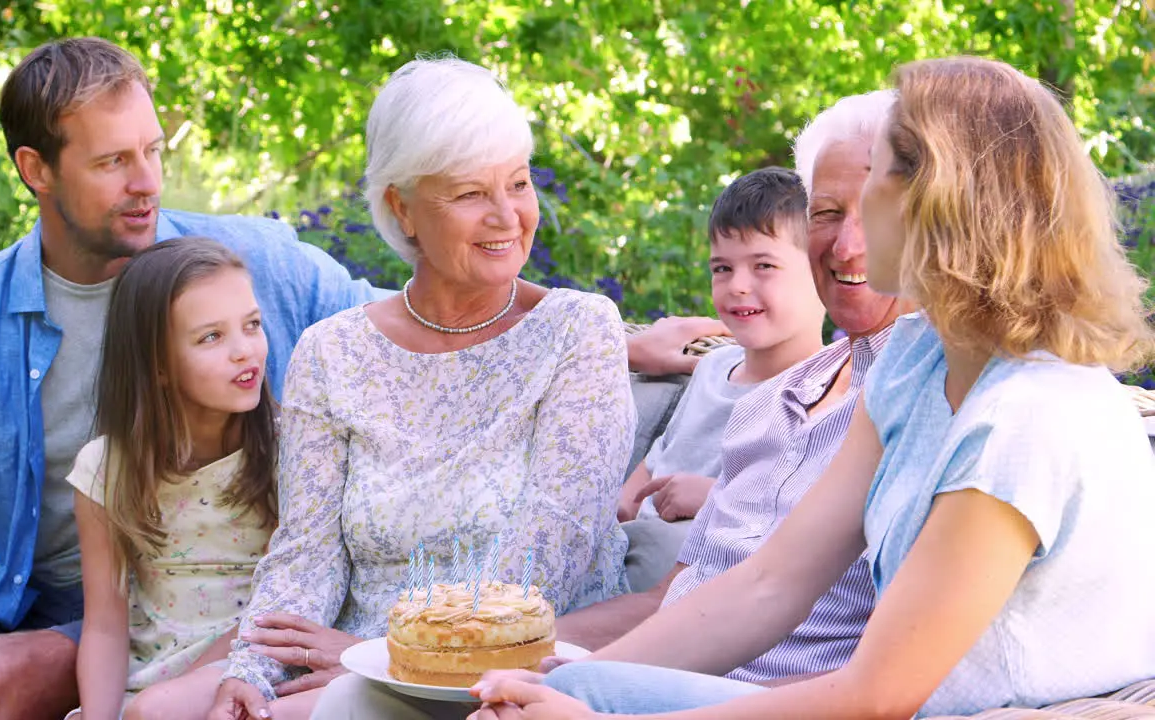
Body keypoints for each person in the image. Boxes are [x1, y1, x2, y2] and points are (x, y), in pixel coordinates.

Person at [470, 56, 1155, 720]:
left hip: (1025, 714)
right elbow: (773, 582)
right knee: (551, 697)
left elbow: (874, 696)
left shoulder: (1026, 416)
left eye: (874, 184)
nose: (841, 233)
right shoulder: (918, 359)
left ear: (938, 199)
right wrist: (574, 680)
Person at [312, 90, 909, 720]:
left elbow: (886, 681)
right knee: (362, 699)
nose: (846, 246)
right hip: (676, 681)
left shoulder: (931, 393)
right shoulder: (773, 403)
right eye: (827, 212)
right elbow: (700, 595)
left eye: (874, 215)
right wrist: (560, 678)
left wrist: (587, 701)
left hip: (778, 701)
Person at [0, 37, 383, 720]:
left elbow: (398, 331)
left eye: (152, 151)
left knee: (4, 674)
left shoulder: (250, 263)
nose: (146, 181)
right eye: (114, 161)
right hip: (29, 595)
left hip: (188, 608)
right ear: (37, 169)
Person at [206, 56, 635, 720]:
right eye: (469, 194)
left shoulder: (579, 332)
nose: (507, 215)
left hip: (511, 675)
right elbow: (304, 553)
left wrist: (380, 658)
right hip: (345, 660)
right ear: (402, 209)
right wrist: (252, 670)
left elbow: (553, 550)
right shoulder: (332, 351)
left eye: (518, 184)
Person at [62, 238, 278, 720]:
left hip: (253, 665)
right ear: (157, 365)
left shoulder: (289, 453)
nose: (245, 351)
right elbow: (103, 625)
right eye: (211, 337)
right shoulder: (105, 470)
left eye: (252, 325)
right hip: (147, 681)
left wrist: (171, 697)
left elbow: (276, 605)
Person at [615, 167, 825, 587]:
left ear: (822, 270)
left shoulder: (822, 389)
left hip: (706, 574)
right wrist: (618, 507)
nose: (737, 286)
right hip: (636, 550)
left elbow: (806, 513)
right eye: (722, 268)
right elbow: (660, 456)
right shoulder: (713, 367)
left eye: (764, 265)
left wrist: (714, 495)